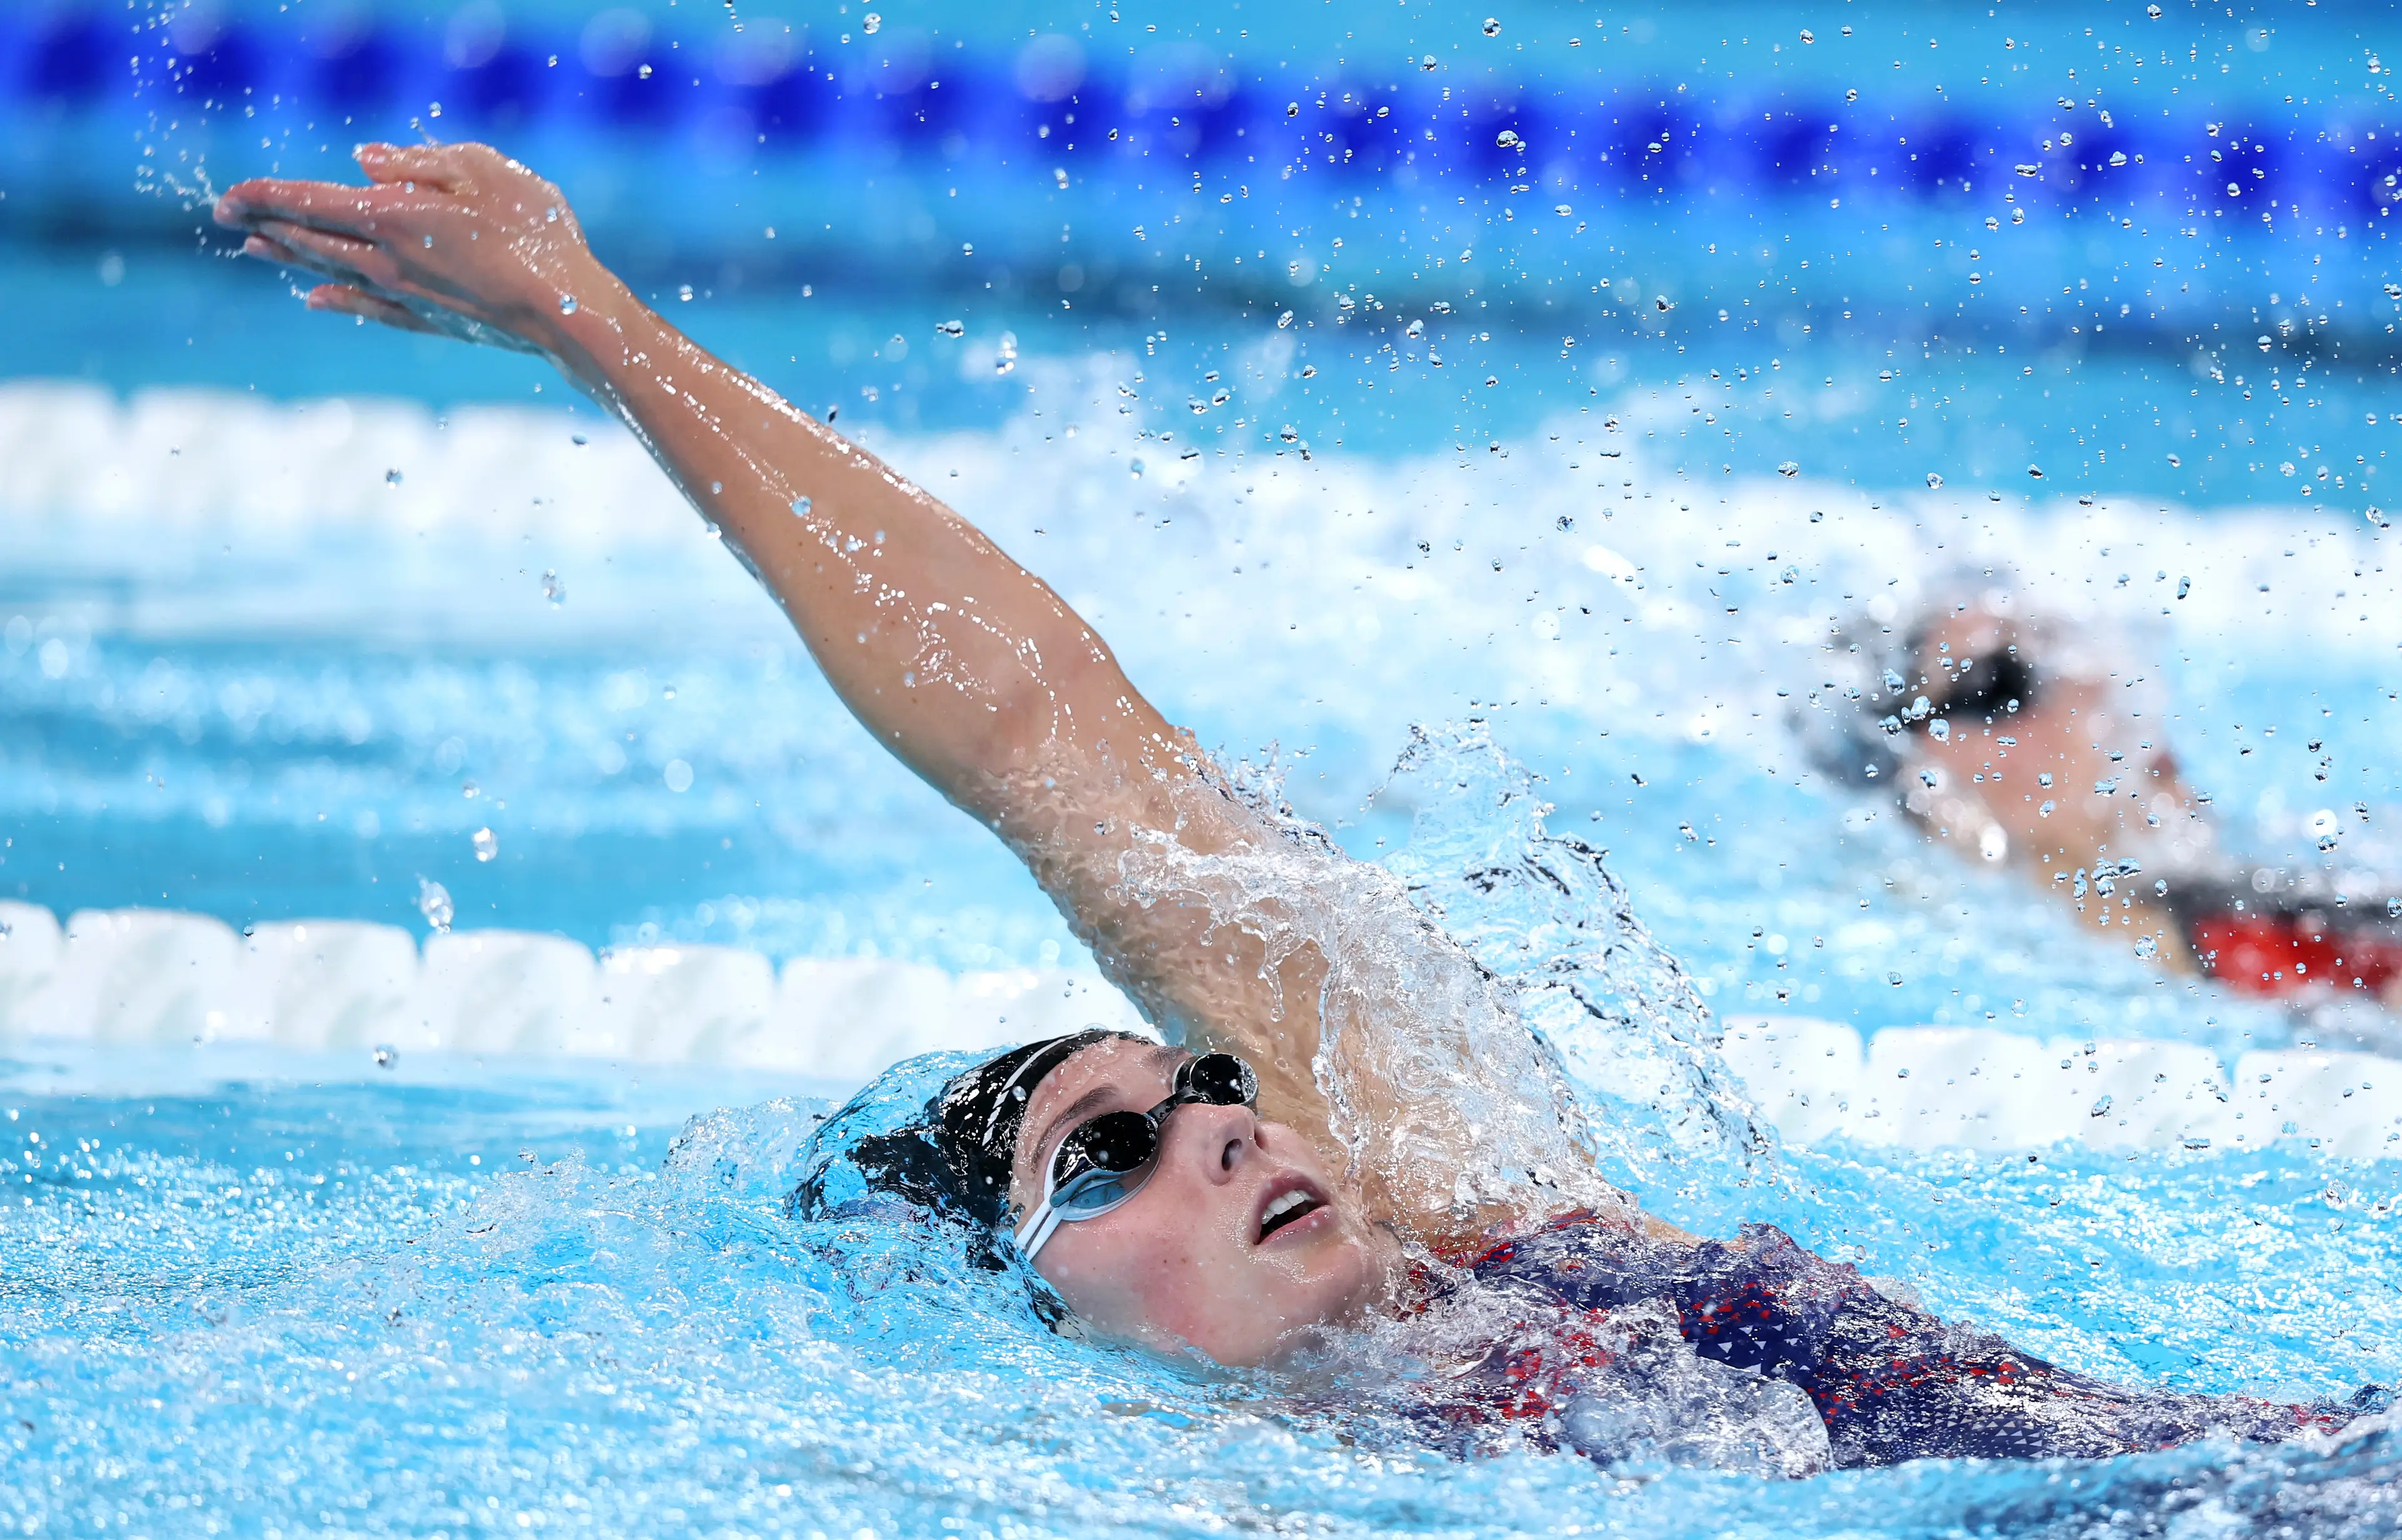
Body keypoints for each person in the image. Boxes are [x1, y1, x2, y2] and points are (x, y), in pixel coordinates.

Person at [213, 143, 2388, 1470]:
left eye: (1198, 1083)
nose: (1227, 1121)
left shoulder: (1487, 1225)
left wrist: (603, 328)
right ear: (1029, 1325)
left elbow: (1048, 733)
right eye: (1115, 1156)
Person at [1810, 599, 2402, 1031]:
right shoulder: (1905, 946)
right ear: (1916, 774)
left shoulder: (2302, 918)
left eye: (2068, 655)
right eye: (2000, 685)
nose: (2084, 685)